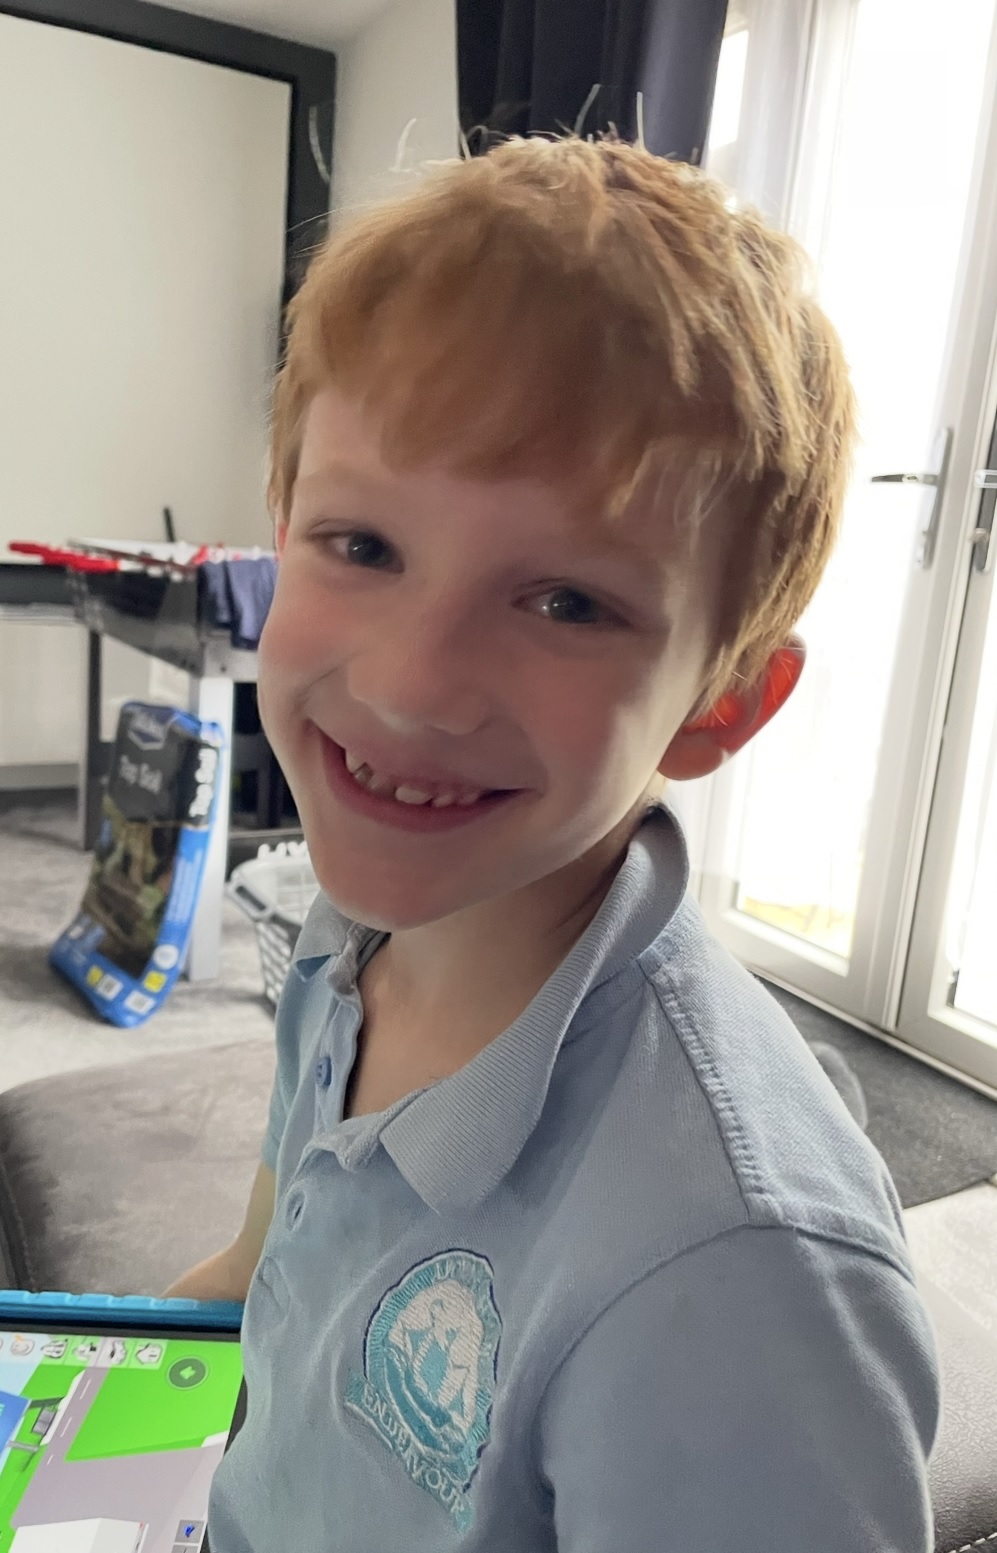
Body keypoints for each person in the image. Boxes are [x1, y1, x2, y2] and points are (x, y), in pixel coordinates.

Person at [167, 135, 940, 1550]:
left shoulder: (734, 1280)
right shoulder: (350, 931)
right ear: (280, 530)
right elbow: (255, 1280)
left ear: (719, 702)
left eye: (567, 603)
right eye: (363, 545)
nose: (411, 685)